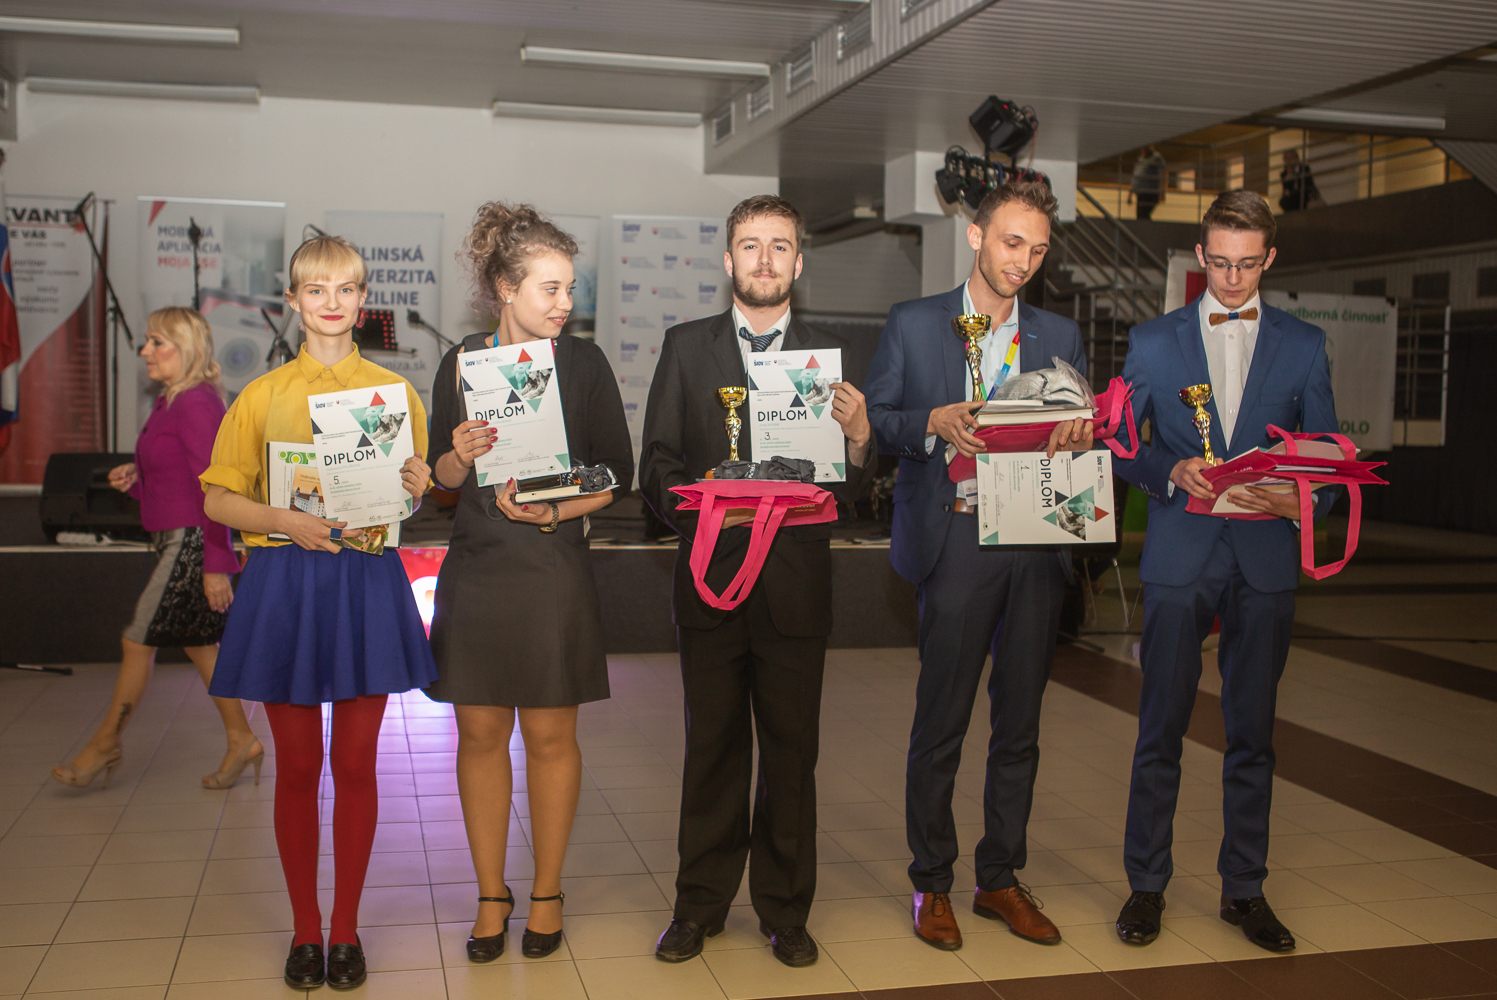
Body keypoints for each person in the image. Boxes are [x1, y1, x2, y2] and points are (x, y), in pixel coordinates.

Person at [641, 194, 876, 968]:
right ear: (728, 260)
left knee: (789, 757)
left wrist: (859, 439)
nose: (764, 259)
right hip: (711, 579)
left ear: (798, 262)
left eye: (779, 246)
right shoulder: (686, 347)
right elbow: (657, 466)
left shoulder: (831, 355)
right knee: (710, 750)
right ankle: (698, 906)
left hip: (794, 589)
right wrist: (712, 510)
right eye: (750, 245)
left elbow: (848, 489)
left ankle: (784, 911)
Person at [200, 235, 437, 991]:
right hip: (285, 583)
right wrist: (283, 519)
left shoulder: (395, 393)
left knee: (357, 766)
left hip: (364, 581)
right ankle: (306, 930)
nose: (331, 302)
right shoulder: (261, 396)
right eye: (316, 289)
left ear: (362, 301)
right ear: (293, 300)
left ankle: (347, 929)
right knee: (298, 768)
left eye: (346, 289)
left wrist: (419, 483)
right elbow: (217, 499)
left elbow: (411, 495)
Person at [863, 179, 1093, 953]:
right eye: (1009, 242)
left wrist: (1078, 436)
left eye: (1036, 249)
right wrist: (928, 422)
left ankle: (998, 878)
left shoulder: (1060, 333)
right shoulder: (913, 322)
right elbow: (877, 422)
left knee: (1019, 725)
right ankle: (931, 881)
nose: (1021, 261)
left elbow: (1080, 430)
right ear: (975, 236)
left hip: (1034, 537)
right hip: (955, 539)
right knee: (942, 723)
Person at [1109, 190, 1337, 952]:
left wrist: (1304, 499)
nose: (1231, 279)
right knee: (1160, 727)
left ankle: (1244, 889)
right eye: (1217, 263)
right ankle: (1146, 884)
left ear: (1268, 258)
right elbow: (1122, 444)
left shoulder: (1304, 344)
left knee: (1253, 735)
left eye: (1245, 264)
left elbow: (1328, 456)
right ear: (1200, 256)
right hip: (1181, 551)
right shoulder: (1152, 340)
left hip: (1264, 557)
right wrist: (1168, 472)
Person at [424, 203, 633, 963]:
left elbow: (617, 473)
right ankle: (491, 894)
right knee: (479, 737)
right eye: (551, 288)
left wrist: (555, 511)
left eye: (570, 288)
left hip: (551, 568)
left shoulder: (583, 363)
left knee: (549, 738)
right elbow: (441, 484)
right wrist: (457, 453)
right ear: (506, 289)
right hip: (478, 569)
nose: (565, 303)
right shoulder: (460, 364)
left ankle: (546, 891)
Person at [50, 307, 258, 791]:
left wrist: (217, 563)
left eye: (157, 342)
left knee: (135, 641)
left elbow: (217, 490)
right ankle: (242, 739)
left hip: (190, 544)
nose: (145, 350)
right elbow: (178, 478)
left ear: (186, 348)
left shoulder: (196, 403)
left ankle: (105, 743)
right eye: (147, 341)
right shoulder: (173, 399)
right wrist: (138, 480)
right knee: (200, 646)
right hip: (176, 537)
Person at [1129, 145, 1168, 220]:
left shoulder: (1156, 158)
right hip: (1141, 193)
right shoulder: (1140, 159)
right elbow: (1135, 176)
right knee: (1140, 216)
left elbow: (1164, 174)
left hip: (1150, 192)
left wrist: (1162, 192)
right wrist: (1130, 193)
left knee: (1143, 215)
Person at [1279, 148, 1321, 213]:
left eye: (1291, 158)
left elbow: (1307, 184)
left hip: (1303, 193)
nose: (1289, 161)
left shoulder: (1304, 169)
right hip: (1293, 196)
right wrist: (1290, 175)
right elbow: (1286, 189)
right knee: (1283, 202)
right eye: (1287, 158)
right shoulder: (1284, 174)